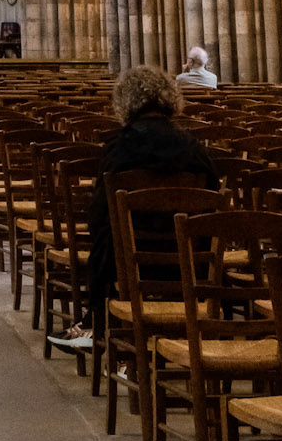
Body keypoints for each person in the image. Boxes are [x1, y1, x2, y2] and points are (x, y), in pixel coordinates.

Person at [51, 65, 218, 353]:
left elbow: (100, 213)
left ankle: (98, 324)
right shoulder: (193, 147)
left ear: (125, 101)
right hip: (188, 258)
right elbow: (213, 201)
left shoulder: (120, 147)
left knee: (106, 236)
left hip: (128, 260)